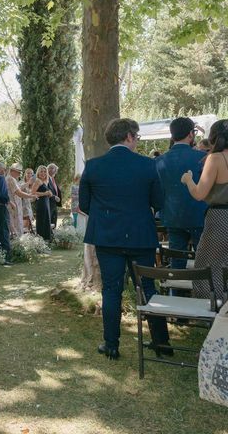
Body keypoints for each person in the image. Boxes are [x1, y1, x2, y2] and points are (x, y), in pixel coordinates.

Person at [79, 118, 170, 360]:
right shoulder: (147, 165)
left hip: (108, 237)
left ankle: (111, 345)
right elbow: (158, 203)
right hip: (140, 236)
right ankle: (162, 342)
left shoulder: (94, 166)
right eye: (137, 137)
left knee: (111, 290)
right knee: (149, 287)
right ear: (129, 136)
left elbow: (84, 205)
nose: (137, 141)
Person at [181, 119, 228, 302]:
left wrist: (188, 180)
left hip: (220, 218)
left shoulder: (215, 159)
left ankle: (213, 307)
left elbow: (200, 194)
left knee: (208, 263)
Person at [155, 117, 207, 267]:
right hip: (200, 215)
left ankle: (177, 288)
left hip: (172, 217)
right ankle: (202, 289)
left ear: (172, 135)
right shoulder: (203, 158)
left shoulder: (159, 161)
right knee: (203, 260)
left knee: (177, 257)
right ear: (191, 134)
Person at [6, 163, 37, 238]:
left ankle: (19, 242)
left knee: (17, 226)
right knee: (16, 227)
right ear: (13, 171)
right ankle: (18, 244)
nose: (20, 174)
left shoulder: (12, 179)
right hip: (13, 206)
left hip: (15, 205)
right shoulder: (10, 179)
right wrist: (31, 196)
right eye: (18, 172)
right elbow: (18, 192)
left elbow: (19, 188)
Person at [31, 165, 53, 242]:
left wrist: (49, 194)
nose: (43, 173)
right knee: (41, 221)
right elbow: (32, 193)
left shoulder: (45, 181)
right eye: (41, 171)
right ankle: (41, 240)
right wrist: (45, 193)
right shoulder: (38, 181)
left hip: (46, 203)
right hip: (41, 203)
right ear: (38, 173)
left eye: (44, 172)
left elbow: (46, 193)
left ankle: (46, 239)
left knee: (46, 220)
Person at [47, 163, 62, 228]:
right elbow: (47, 190)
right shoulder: (47, 178)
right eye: (54, 169)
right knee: (49, 220)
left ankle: (53, 234)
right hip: (49, 202)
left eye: (56, 169)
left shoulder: (52, 179)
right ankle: (49, 235)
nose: (56, 171)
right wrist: (54, 197)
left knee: (54, 220)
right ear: (49, 169)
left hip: (54, 203)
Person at [21, 168, 36, 232]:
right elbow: (20, 188)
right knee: (24, 228)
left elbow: (31, 199)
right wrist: (28, 182)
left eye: (31, 174)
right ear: (25, 174)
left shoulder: (33, 185)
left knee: (29, 228)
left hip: (29, 207)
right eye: (28, 173)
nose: (30, 175)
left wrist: (34, 198)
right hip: (22, 207)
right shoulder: (22, 182)